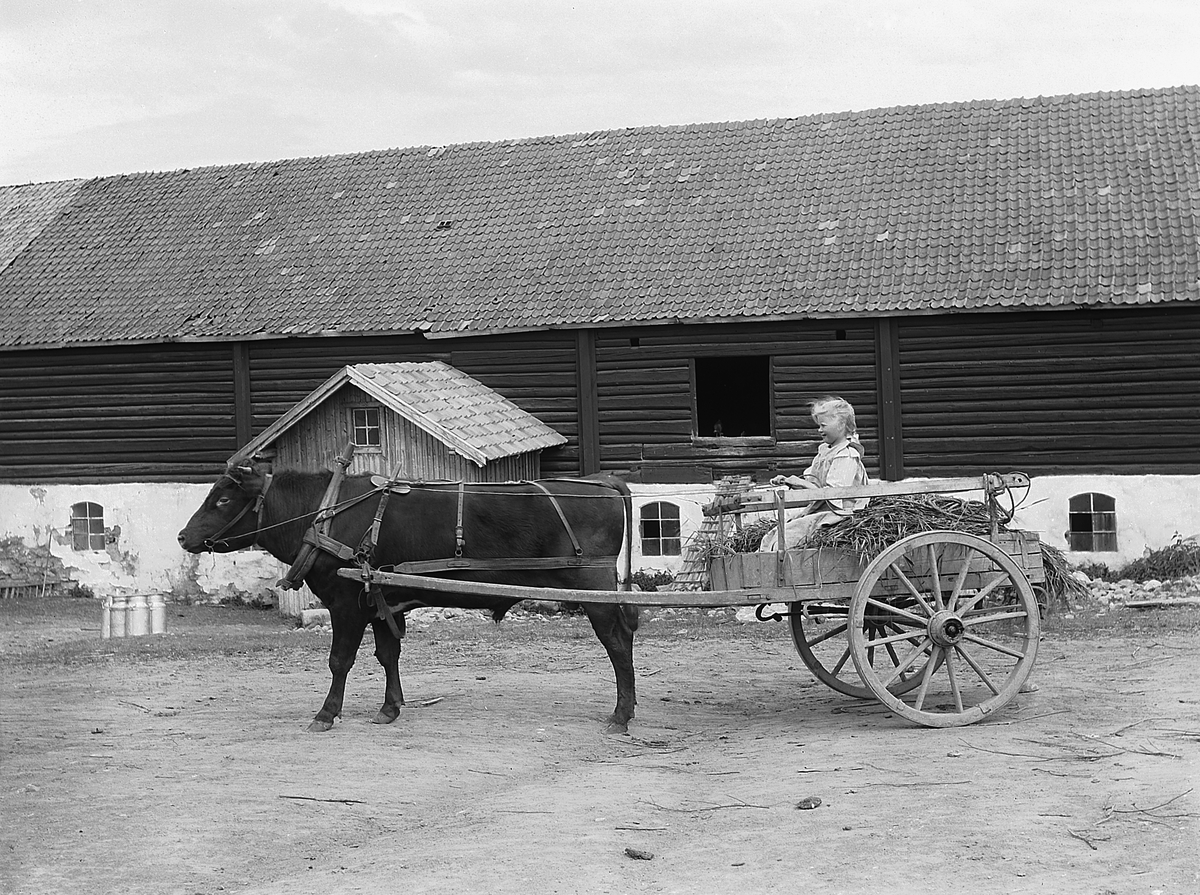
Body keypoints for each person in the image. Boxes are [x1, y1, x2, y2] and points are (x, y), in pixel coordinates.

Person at [758, 396, 869, 552]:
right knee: (773, 535)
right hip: (822, 510)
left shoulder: (847, 455)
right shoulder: (825, 452)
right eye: (819, 425)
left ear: (841, 425)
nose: (819, 430)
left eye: (823, 425)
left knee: (787, 537)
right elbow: (814, 484)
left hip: (839, 514)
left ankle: (773, 568)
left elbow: (834, 493)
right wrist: (789, 482)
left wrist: (801, 483)